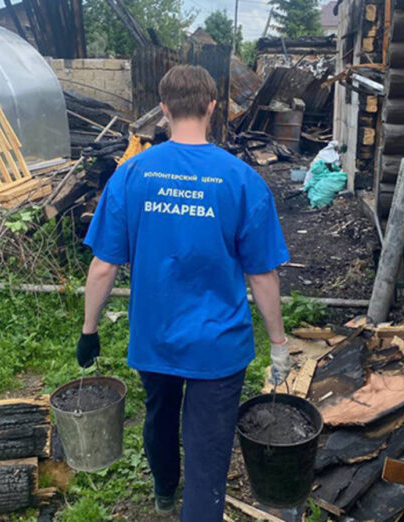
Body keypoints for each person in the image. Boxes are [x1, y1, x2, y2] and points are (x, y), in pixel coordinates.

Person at [76, 64, 292, 521]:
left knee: (160, 415)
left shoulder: (132, 174)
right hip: (219, 345)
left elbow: (103, 266)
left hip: (155, 337)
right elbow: (262, 275)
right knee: (208, 449)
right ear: (212, 107)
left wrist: (89, 330)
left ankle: (163, 491)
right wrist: (278, 343)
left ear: (163, 109)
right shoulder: (241, 180)